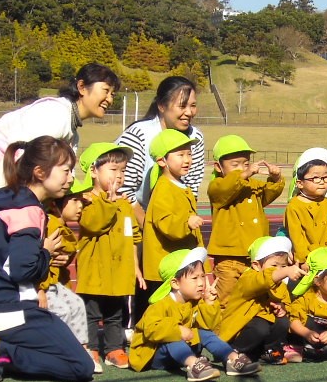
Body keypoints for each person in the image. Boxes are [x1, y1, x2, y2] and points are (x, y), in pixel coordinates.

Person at [0, 63, 120, 261]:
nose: (109, 99)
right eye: (106, 90)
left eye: (113, 94)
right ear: (81, 87)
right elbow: (23, 159)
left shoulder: (70, 129)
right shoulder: (56, 114)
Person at [0, 136, 94, 382]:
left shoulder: (6, 201)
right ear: (39, 171)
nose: (71, 179)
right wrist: (45, 253)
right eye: (66, 171)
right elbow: (23, 270)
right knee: (81, 367)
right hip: (9, 311)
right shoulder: (29, 210)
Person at [129, 247, 260, 381]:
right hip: (154, 355)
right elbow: (151, 329)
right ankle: (194, 366)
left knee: (204, 333)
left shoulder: (195, 301)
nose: (201, 283)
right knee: (173, 338)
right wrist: (177, 330)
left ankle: (232, 359)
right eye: (194, 278)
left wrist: (209, 303)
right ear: (175, 283)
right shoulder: (159, 305)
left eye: (202, 276)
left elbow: (209, 326)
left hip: (182, 352)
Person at [74, 142, 143, 371]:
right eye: (113, 170)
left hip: (119, 271)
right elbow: (93, 224)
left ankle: (114, 349)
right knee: (92, 313)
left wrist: (135, 267)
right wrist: (108, 202)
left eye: (123, 170)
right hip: (95, 270)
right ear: (94, 171)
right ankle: (91, 348)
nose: (119, 176)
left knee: (115, 313)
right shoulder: (86, 200)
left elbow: (132, 235)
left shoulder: (125, 204)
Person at [206, 135, 285, 305]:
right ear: (218, 167)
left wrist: (276, 178)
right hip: (228, 257)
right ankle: (221, 329)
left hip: (253, 256)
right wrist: (244, 174)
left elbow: (268, 194)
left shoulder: (252, 184)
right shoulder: (217, 185)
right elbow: (226, 189)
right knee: (225, 299)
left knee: (254, 299)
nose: (242, 168)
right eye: (235, 165)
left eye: (246, 163)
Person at [116, 75, 206, 215]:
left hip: (174, 222)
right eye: (182, 106)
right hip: (137, 223)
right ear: (162, 106)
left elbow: (192, 189)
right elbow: (123, 190)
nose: (189, 112)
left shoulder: (196, 138)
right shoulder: (139, 135)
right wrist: (148, 226)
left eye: (193, 105)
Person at [219, 236, 305, 364]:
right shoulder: (248, 277)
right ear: (256, 265)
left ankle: (268, 350)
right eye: (274, 265)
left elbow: (286, 302)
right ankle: (235, 351)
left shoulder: (280, 284)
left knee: (283, 321)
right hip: (241, 329)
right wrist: (286, 270)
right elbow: (263, 280)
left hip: (262, 324)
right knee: (260, 327)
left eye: (283, 265)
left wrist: (282, 307)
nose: (279, 270)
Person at [141, 129, 205, 302]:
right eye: (180, 155)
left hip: (182, 266)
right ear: (162, 161)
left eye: (189, 154)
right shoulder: (163, 188)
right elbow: (165, 222)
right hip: (166, 269)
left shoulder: (180, 185)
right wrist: (186, 223)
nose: (187, 160)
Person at [36, 185, 94, 370]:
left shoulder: (60, 225)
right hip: (42, 285)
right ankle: (61, 353)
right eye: (75, 200)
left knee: (76, 304)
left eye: (81, 201)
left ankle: (82, 349)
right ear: (54, 204)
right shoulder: (50, 225)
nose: (80, 206)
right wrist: (40, 289)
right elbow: (44, 262)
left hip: (54, 284)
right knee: (62, 310)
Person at [283, 147, 327, 264]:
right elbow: (297, 238)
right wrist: (303, 260)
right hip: (309, 259)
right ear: (300, 183)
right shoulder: (294, 206)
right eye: (315, 178)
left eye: (325, 177)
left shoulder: (325, 202)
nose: (321, 181)